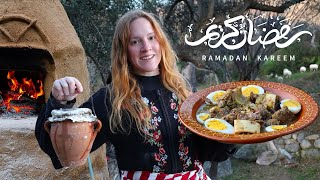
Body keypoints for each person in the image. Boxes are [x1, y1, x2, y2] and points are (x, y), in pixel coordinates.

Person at [35, 9, 236, 179]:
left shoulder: (182, 90)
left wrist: (232, 133)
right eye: (135, 42)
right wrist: (59, 103)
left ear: (160, 42)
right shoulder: (111, 99)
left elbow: (207, 151)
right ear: (124, 51)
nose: (146, 47)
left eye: (151, 38)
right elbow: (60, 152)